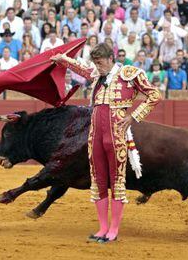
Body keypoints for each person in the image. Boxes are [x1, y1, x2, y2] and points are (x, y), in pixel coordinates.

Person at [50, 42, 161, 243]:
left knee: (117, 181)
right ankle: (102, 228)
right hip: (96, 134)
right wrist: (62, 59)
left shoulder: (130, 73)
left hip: (116, 134)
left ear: (111, 58)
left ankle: (114, 230)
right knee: (98, 180)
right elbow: (82, 69)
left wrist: (134, 116)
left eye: (100, 63)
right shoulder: (97, 76)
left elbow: (154, 94)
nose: (98, 67)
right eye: (96, 63)